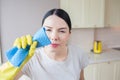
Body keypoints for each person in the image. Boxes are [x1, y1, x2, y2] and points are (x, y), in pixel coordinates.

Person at [0, 8, 89, 80]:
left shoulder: (78, 54)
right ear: (40, 32)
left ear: (69, 34)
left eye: (62, 31)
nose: (54, 37)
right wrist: (14, 63)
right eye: (48, 30)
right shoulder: (31, 58)